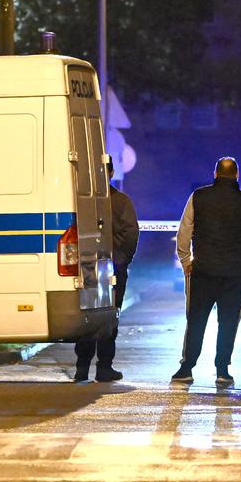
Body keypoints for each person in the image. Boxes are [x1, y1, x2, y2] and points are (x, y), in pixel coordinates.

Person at [172, 157, 241, 386]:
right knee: (229, 322)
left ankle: (187, 367)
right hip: (235, 274)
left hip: (203, 271)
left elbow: (184, 232)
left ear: (215, 174)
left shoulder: (198, 197)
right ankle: (222, 369)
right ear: (237, 175)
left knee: (195, 320)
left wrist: (186, 261)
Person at [74, 160, 140, 382]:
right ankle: (100, 367)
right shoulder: (120, 201)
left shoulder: (83, 201)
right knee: (106, 319)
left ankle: (86, 368)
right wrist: (121, 262)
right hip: (106, 270)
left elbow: (130, 233)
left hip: (93, 268)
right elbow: (131, 234)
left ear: (110, 172)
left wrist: (119, 262)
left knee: (91, 317)